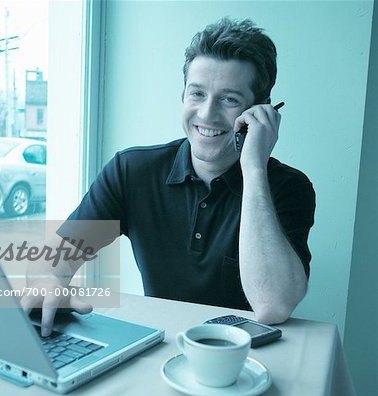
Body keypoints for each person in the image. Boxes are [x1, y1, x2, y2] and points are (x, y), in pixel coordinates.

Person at [21, 17, 315, 336]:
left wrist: (255, 167)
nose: (206, 114)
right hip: (156, 345)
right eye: (197, 94)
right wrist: (49, 279)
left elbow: (273, 305)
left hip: (243, 360)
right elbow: (53, 259)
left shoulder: (289, 187)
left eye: (230, 99)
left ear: (260, 111)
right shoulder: (132, 170)